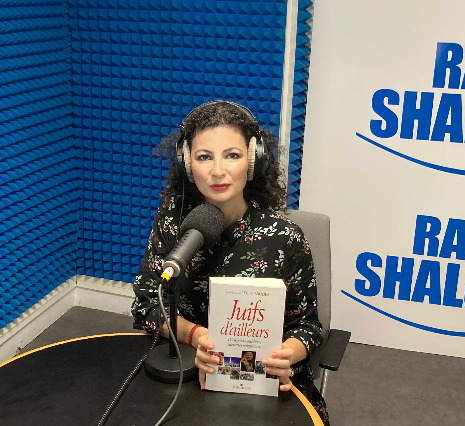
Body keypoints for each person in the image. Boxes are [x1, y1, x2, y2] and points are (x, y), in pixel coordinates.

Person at [130, 100, 328, 424]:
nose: (218, 171)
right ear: (187, 164)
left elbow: (309, 328)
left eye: (232, 155)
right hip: (189, 372)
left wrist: (285, 356)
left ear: (252, 160)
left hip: (264, 383)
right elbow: (147, 306)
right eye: (204, 157)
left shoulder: (284, 237)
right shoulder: (172, 221)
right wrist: (198, 337)